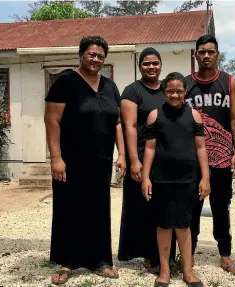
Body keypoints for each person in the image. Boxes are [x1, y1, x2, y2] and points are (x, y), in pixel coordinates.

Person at [45, 35, 126, 285]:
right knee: (69, 208)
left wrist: (121, 153)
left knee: (98, 210)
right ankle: (67, 261)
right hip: (70, 161)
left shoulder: (110, 86)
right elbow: (52, 120)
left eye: (101, 56)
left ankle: (100, 260)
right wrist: (56, 157)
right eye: (91, 54)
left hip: (100, 161)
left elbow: (118, 122)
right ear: (81, 54)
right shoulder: (66, 82)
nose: (96, 59)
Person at [142, 72, 210, 287]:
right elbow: (150, 148)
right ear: (164, 91)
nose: (174, 95)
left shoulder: (194, 116)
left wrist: (205, 177)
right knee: (163, 225)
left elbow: (201, 148)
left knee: (183, 226)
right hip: (161, 179)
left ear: (185, 92)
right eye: (170, 91)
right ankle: (164, 271)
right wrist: (145, 177)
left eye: (179, 91)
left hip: (188, 180)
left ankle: (187, 271)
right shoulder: (154, 115)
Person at [185, 35, 235, 275]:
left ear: (217, 54)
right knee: (192, 208)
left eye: (210, 51)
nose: (206, 56)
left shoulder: (229, 82)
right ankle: (189, 253)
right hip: (192, 158)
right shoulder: (186, 83)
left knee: (221, 207)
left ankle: (225, 255)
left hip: (221, 158)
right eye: (202, 52)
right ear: (196, 55)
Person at [118, 47, 176, 273]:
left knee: (163, 207)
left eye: (155, 63)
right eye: (146, 63)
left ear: (161, 65)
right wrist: (134, 160)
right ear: (139, 66)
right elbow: (128, 127)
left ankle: (164, 254)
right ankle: (148, 255)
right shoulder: (132, 91)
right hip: (141, 156)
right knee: (141, 208)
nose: (151, 67)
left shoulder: (167, 90)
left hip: (165, 157)